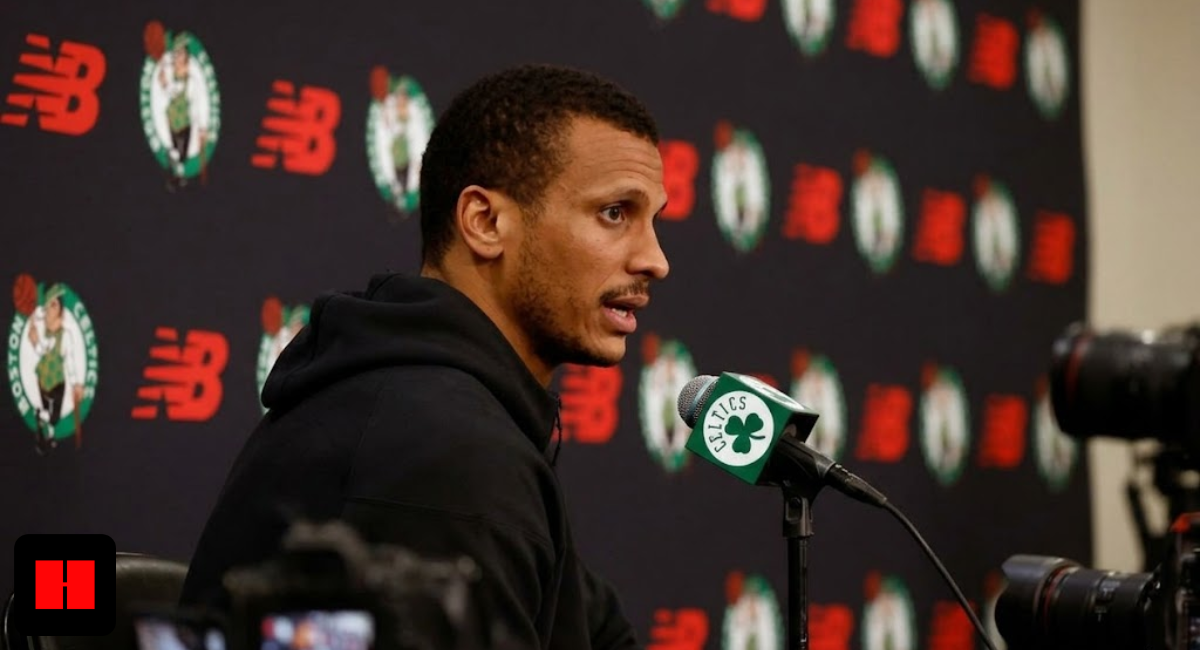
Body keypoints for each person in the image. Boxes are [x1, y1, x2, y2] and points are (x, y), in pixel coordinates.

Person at [179, 63, 671, 650]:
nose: (655, 260)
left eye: (652, 221)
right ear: (485, 222)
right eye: (615, 213)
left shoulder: (446, 415)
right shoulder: (445, 451)